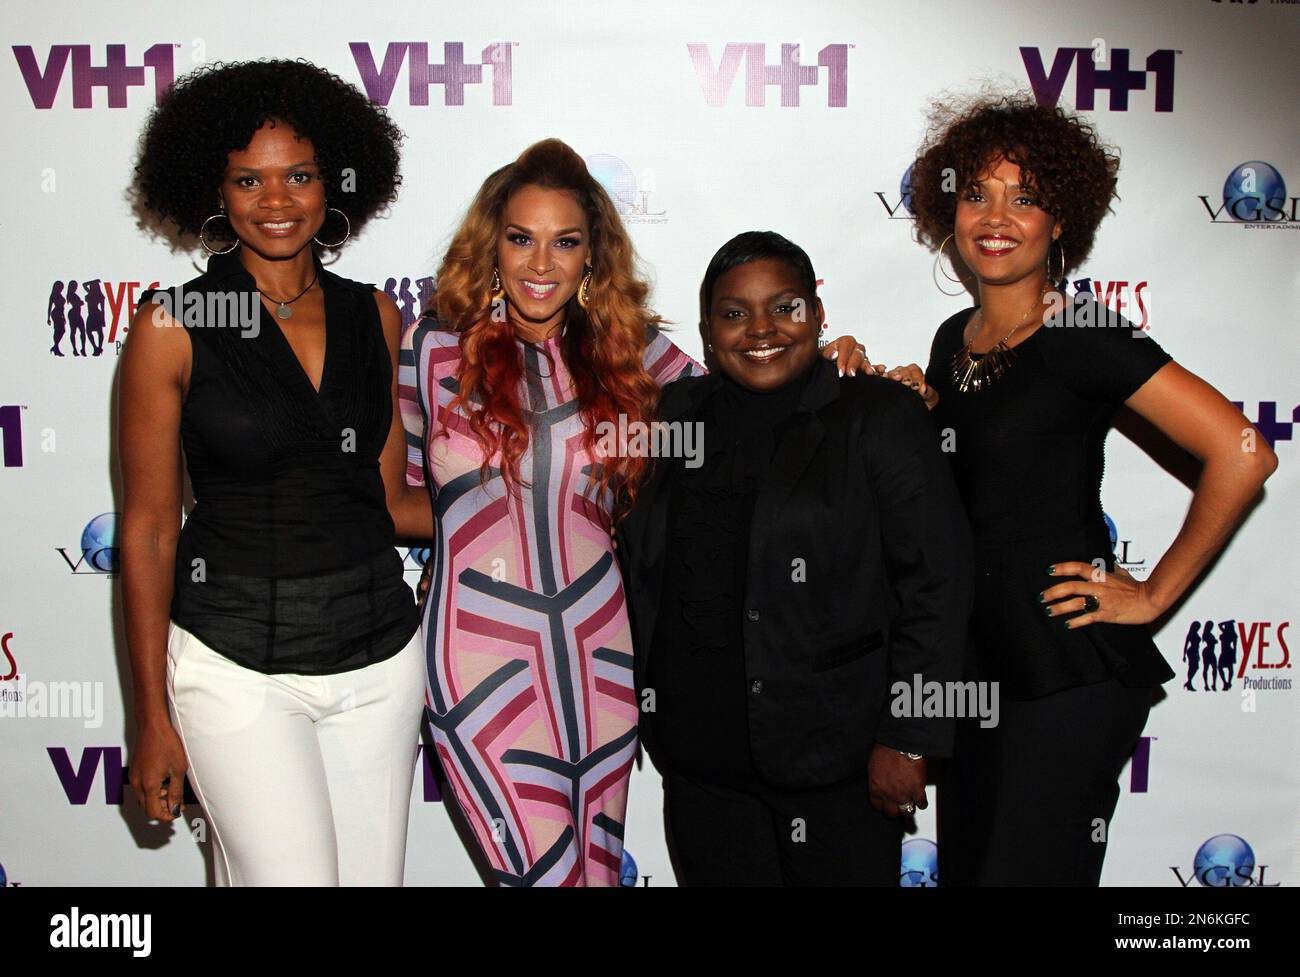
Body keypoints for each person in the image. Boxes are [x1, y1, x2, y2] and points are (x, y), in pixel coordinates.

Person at [400, 141, 869, 886]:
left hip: (603, 654)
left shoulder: (632, 355)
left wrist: (842, 362)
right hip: (479, 657)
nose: (541, 263)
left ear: (593, 256)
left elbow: (753, 387)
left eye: (566, 241)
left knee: (595, 871)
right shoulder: (431, 350)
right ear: (492, 245)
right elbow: (400, 494)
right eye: (521, 238)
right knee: (543, 873)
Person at [881, 92, 1277, 885]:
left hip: (1064, 672)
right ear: (949, 213)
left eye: (1025, 197)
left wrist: (1154, 592)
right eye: (977, 193)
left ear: (1061, 221)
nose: (997, 216)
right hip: (977, 677)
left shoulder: (1083, 331)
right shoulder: (950, 342)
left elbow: (1244, 452)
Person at [121, 59, 432, 885]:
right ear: (213, 191)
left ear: (335, 182)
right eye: (248, 179)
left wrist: (537, 503)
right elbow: (151, 529)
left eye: (298, 175)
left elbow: (392, 497)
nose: (277, 199)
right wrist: (150, 713)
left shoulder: (376, 314)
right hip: (235, 667)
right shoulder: (173, 325)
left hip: (378, 662)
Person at [611, 231, 971, 886]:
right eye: (734, 312)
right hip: (701, 768)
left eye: (785, 307)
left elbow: (937, 584)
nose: (761, 329)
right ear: (707, 329)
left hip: (840, 764)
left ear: (818, 315)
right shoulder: (669, 416)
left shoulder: (879, 416)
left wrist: (911, 735)